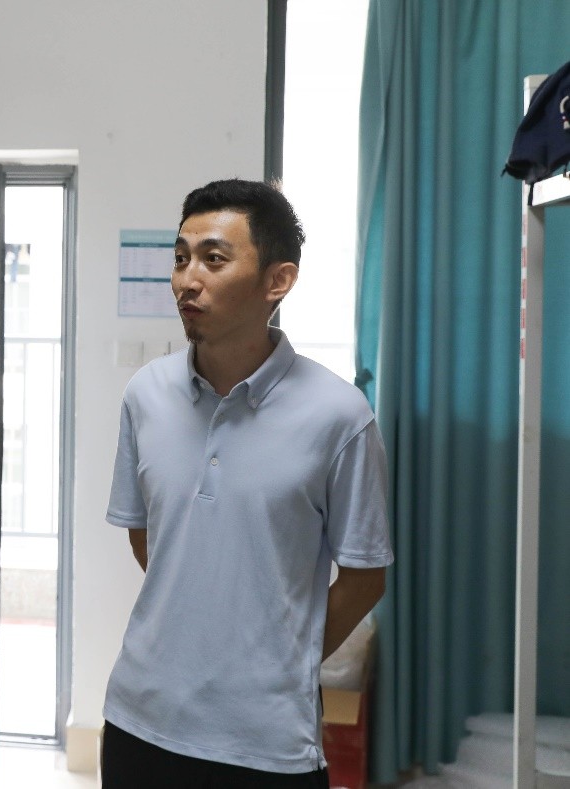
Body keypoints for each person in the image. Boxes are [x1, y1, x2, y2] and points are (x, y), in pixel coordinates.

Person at [101, 179, 394, 787]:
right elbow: (146, 536)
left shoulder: (339, 415)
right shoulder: (145, 395)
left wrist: (279, 658)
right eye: (180, 258)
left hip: (266, 742)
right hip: (138, 720)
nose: (187, 280)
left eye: (213, 259)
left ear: (277, 281)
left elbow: (365, 577)